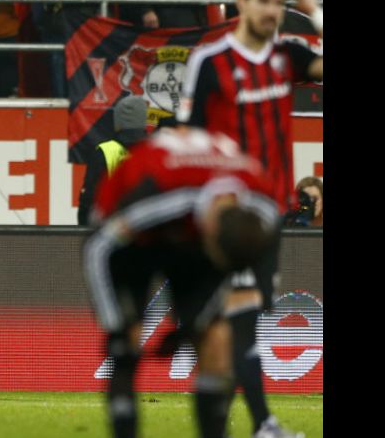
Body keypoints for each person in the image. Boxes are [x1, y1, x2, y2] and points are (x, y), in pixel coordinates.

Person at [175, 0, 321, 437]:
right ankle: (260, 425)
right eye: (263, 1)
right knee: (237, 319)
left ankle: (256, 424)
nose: (270, 12)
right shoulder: (211, 61)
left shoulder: (286, 56)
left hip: (270, 212)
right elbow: (188, 138)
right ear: (239, 2)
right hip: (229, 211)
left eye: (278, 4)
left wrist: (314, 12)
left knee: (246, 319)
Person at [84, 126, 280, 438]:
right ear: (211, 229)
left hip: (194, 239)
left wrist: (189, 327)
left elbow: (229, 265)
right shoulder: (156, 192)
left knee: (215, 341)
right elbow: (98, 248)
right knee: (127, 343)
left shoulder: (262, 202)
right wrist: (115, 324)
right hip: (135, 240)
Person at [77, 96, 147, 225]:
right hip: (150, 230)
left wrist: (84, 233)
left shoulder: (104, 151)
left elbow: (89, 200)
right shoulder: (155, 149)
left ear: (117, 121)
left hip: (113, 230)